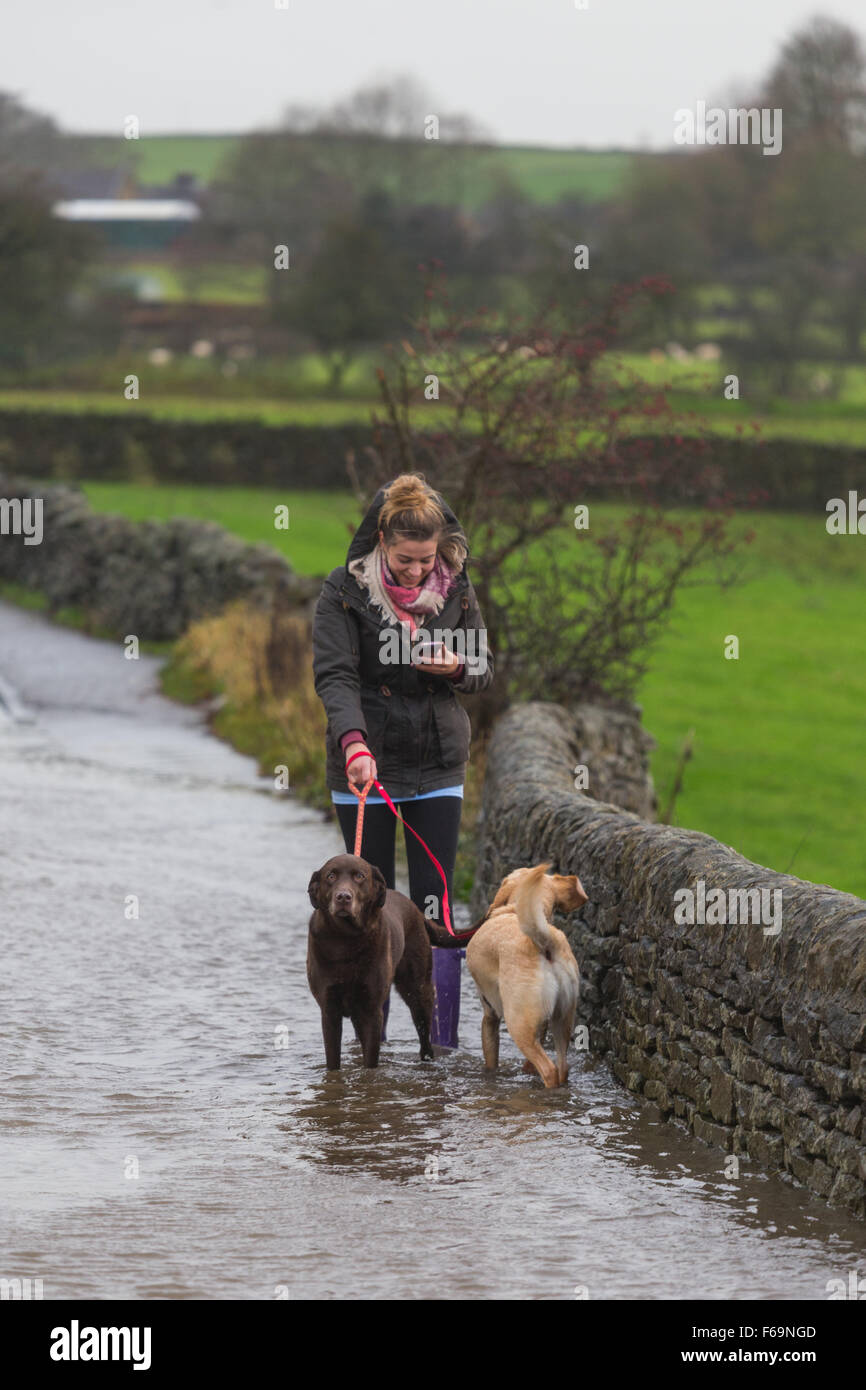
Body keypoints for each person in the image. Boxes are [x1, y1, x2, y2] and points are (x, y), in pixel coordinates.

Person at [311, 472, 494, 1032]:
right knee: (369, 902)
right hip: (365, 761)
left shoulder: (458, 588)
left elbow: (484, 668)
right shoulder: (343, 591)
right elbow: (336, 677)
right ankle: (375, 1046)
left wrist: (458, 667)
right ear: (382, 543)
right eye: (406, 560)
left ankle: (438, 1042)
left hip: (438, 761)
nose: (418, 571)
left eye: (427, 560)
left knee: (433, 905)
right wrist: (354, 744)